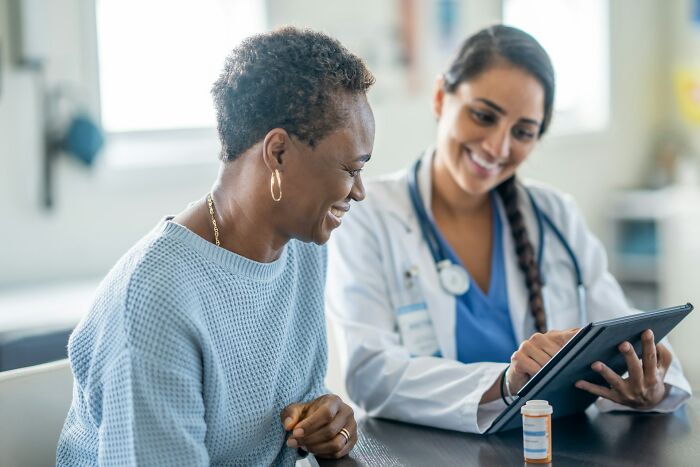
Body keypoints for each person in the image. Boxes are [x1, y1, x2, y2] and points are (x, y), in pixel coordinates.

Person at [325, 25, 691, 434]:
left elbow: (623, 327)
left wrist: (651, 382)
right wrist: (505, 383)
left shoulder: (554, 215)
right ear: (441, 97)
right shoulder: (369, 215)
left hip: (551, 448)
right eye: (483, 115)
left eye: (522, 132)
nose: (498, 147)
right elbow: (370, 373)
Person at [57, 27, 375, 465]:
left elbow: (288, 408)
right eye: (350, 168)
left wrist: (323, 420)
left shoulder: (303, 244)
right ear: (278, 152)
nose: (359, 191)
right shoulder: (158, 298)